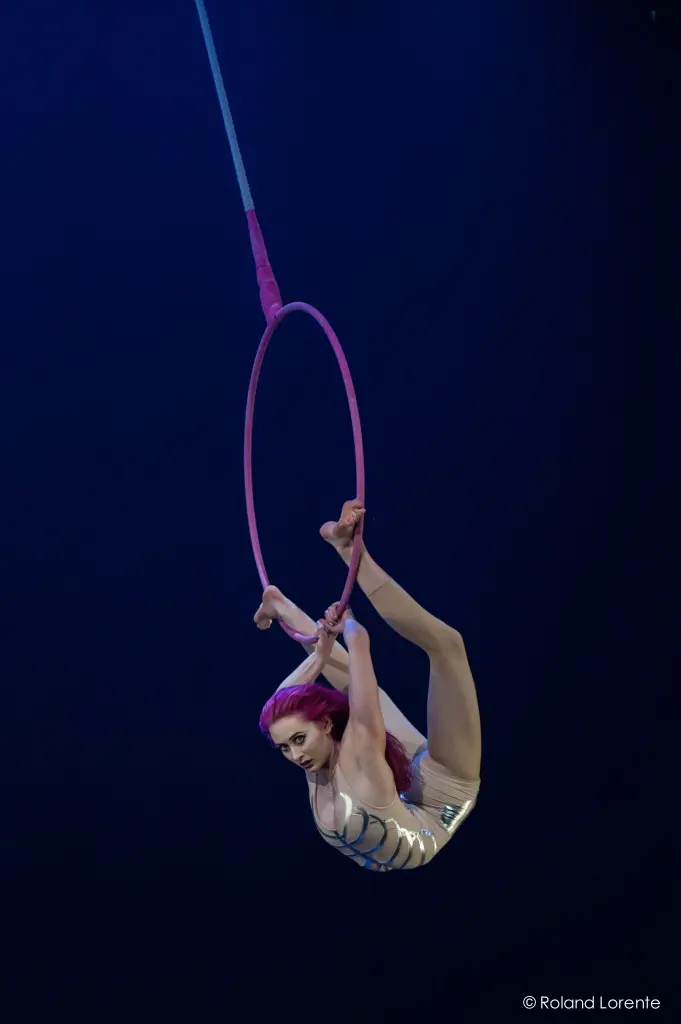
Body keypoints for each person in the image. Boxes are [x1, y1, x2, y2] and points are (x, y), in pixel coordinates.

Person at [255, 500, 482, 871]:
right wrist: (332, 642)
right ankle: (289, 599)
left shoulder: (354, 751)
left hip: (409, 791)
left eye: (298, 741)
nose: (296, 757)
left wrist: (344, 633)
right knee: (346, 690)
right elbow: (286, 702)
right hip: (438, 799)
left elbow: (343, 686)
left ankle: (347, 555)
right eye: (285, 747)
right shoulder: (327, 754)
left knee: (446, 647)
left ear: (326, 725)